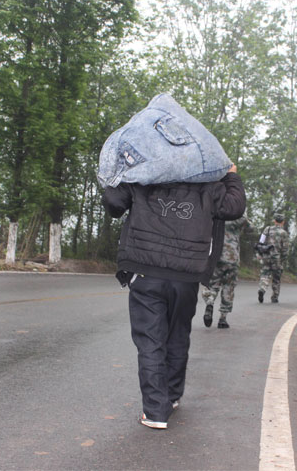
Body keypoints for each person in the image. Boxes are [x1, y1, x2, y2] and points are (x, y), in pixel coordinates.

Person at [102, 164, 246, 430]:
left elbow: (114, 204)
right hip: (186, 275)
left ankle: (156, 410)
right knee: (178, 334)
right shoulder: (207, 181)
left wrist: (120, 171)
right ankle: (172, 395)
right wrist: (231, 175)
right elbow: (234, 207)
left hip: (146, 270)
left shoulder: (143, 173)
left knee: (150, 340)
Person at [201, 215, 251, 329]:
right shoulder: (238, 217)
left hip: (216, 256)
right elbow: (251, 229)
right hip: (232, 258)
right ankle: (223, 319)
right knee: (228, 287)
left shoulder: (215, 214)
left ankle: (210, 301)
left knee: (212, 284)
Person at [257, 213, 289, 304]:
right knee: (276, 278)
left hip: (266, 256)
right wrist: (283, 259)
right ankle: (274, 297)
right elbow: (285, 249)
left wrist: (260, 254)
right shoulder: (284, 233)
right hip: (277, 258)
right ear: (282, 222)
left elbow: (261, 242)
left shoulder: (267, 229)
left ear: (274, 221)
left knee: (265, 274)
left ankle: (262, 289)